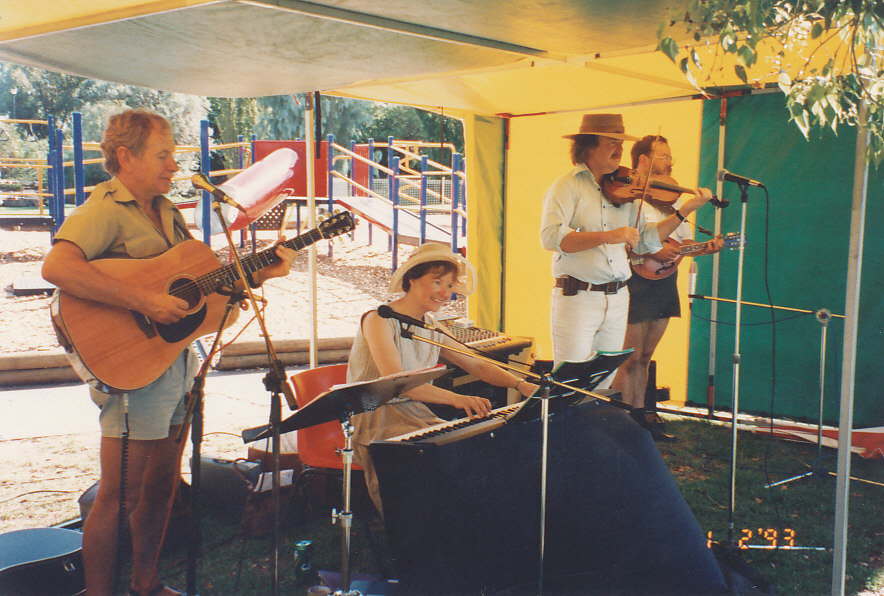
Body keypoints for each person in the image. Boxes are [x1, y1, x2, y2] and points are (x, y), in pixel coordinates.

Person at [41, 109, 296, 596]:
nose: (174, 166)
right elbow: (57, 267)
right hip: (133, 368)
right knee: (120, 495)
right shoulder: (105, 208)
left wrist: (259, 273)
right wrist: (143, 301)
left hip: (175, 360)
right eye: (163, 155)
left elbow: (195, 286)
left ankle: (146, 584)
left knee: (162, 486)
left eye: (173, 156)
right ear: (125, 156)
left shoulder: (166, 211)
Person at [347, 243, 539, 513]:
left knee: (473, 452)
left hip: (414, 413)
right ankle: (414, 529)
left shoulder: (430, 325)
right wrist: (458, 399)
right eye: (437, 282)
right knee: (431, 466)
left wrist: (521, 384)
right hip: (375, 419)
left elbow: (477, 364)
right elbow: (398, 382)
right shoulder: (378, 319)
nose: (445, 293)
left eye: (449, 286)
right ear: (412, 278)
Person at [539, 113, 713, 392]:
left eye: (621, 142)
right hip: (578, 297)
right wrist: (610, 236)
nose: (620, 148)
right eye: (612, 141)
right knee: (570, 383)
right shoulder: (567, 186)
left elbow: (647, 240)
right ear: (589, 145)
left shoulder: (626, 189)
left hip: (618, 297)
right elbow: (551, 237)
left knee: (602, 382)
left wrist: (684, 211)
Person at [610, 135, 724, 442]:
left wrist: (705, 248)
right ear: (644, 160)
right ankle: (624, 421)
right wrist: (653, 251)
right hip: (635, 281)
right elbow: (628, 242)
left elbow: (682, 243)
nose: (671, 162)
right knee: (630, 356)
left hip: (663, 282)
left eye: (671, 157)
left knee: (646, 356)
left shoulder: (671, 201)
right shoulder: (628, 199)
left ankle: (640, 416)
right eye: (665, 156)